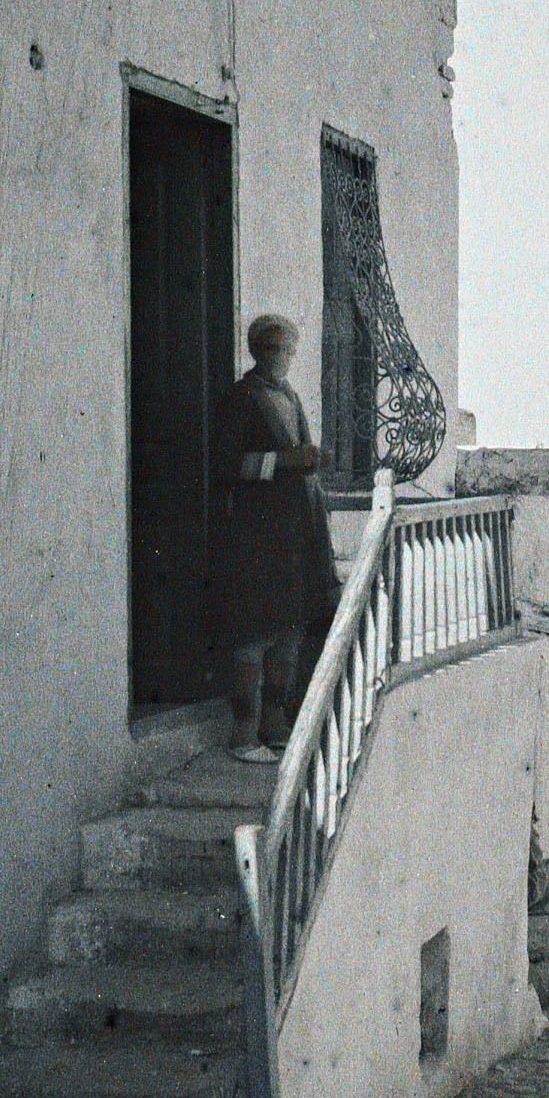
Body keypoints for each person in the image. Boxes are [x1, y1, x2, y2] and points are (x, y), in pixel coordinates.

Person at [210, 314, 341, 762]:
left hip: (295, 535)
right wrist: (287, 461)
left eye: (288, 351)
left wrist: (310, 461)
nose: (283, 359)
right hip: (256, 537)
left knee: (289, 628)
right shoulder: (239, 398)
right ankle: (244, 736)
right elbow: (229, 466)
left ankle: (275, 724)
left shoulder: (290, 397)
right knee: (254, 630)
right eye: (275, 350)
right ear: (258, 351)